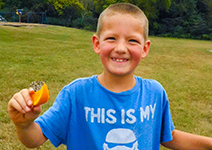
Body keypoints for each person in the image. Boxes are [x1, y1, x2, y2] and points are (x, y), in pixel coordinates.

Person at [8, 3, 212, 150]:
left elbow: (168, 137)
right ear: (97, 44)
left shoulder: (154, 93)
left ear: (145, 48)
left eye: (132, 40)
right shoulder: (76, 94)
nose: (121, 48)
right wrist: (24, 124)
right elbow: (34, 139)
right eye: (111, 38)